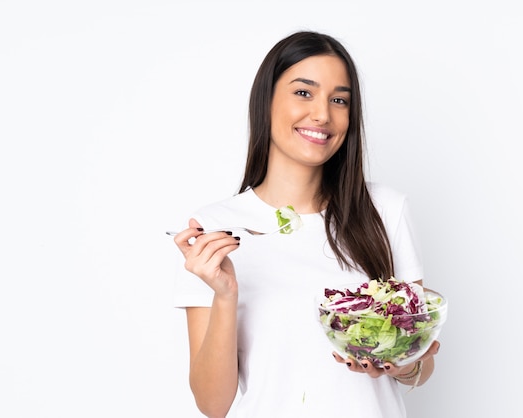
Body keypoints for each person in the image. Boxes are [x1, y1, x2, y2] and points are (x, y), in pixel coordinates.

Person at [171, 30, 441, 418]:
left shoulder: (385, 209)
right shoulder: (215, 228)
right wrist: (225, 293)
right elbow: (213, 404)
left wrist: (403, 363)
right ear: (266, 101)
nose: (322, 114)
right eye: (303, 92)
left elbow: (420, 363)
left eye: (339, 100)